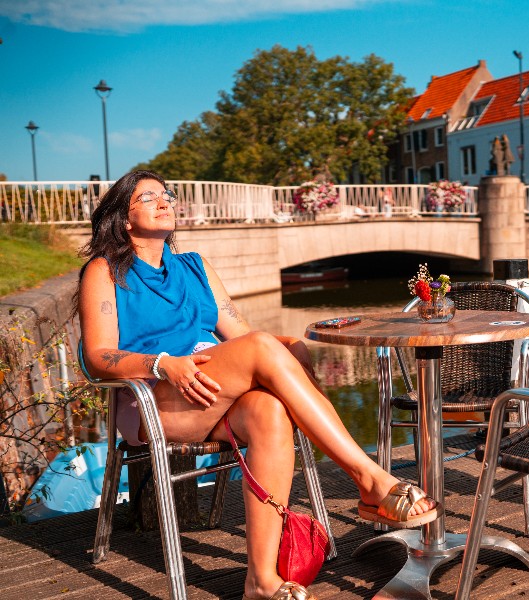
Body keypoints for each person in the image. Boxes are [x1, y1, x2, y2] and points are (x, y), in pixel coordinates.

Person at [76, 170, 440, 600]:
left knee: (269, 411)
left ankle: (261, 581)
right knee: (266, 350)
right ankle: (368, 478)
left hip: (215, 392)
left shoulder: (195, 266)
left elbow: (242, 334)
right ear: (123, 218)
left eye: (167, 195)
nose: (164, 201)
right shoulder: (105, 271)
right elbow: (98, 358)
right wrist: (162, 364)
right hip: (156, 397)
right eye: (148, 197)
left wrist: (288, 346)